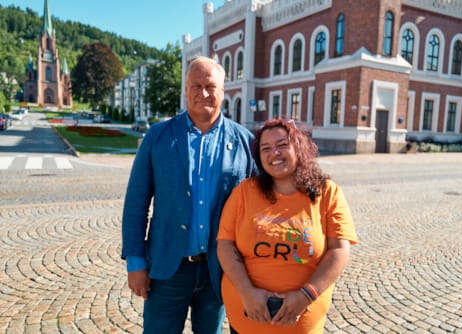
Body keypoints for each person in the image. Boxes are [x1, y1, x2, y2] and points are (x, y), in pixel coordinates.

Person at [121, 56, 257, 334]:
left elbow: (264, 202)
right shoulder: (158, 136)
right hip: (168, 267)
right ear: (185, 90)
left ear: (223, 91)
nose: (203, 93)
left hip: (220, 271)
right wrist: (136, 262)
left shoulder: (245, 141)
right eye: (195, 85)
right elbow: (136, 203)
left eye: (210, 86)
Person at [217, 119, 357, 334]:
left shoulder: (327, 192)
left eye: (282, 145)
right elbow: (226, 245)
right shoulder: (245, 191)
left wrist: (306, 296)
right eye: (266, 148)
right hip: (246, 320)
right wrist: (247, 293)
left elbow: (338, 250)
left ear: (298, 147)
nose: (274, 153)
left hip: (302, 324)